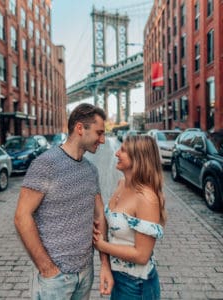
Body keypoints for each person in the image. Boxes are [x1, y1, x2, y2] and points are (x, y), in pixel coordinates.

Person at [14, 103, 114, 300]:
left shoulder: (91, 170)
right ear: (79, 128)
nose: (102, 140)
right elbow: (21, 217)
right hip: (54, 281)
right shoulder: (46, 164)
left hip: (85, 275)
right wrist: (47, 268)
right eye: (99, 133)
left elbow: (100, 215)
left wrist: (104, 263)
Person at [93, 135, 167, 300]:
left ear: (139, 158)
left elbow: (142, 255)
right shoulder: (121, 184)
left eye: (123, 150)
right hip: (118, 277)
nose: (117, 153)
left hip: (137, 285)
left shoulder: (146, 198)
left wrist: (101, 245)